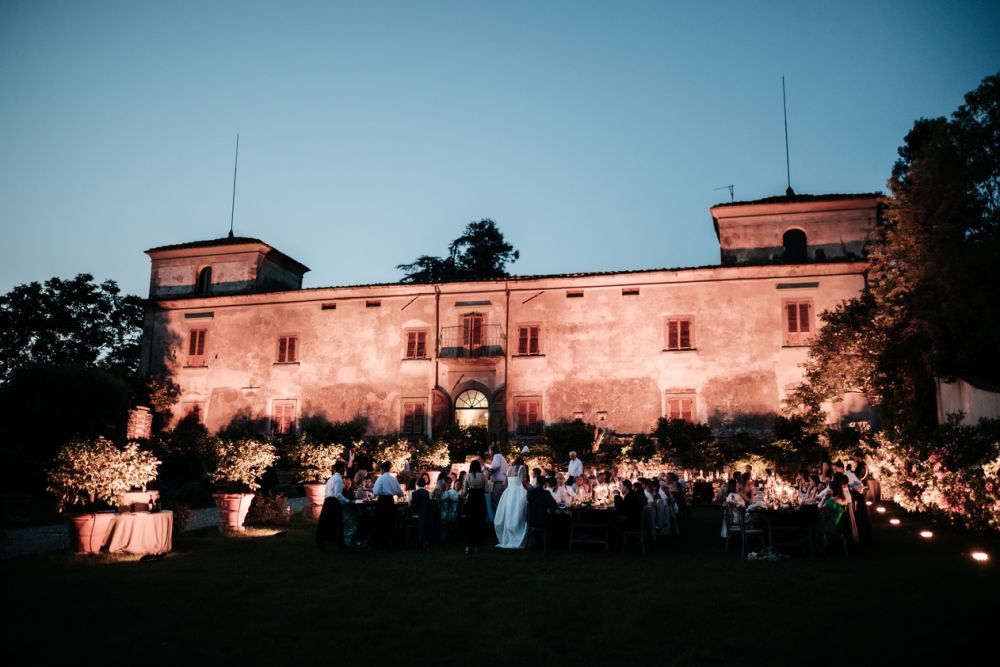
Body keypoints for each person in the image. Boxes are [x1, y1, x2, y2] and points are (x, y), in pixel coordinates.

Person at [494, 457, 528, 549]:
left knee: (509, 514)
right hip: (518, 492)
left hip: (509, 493)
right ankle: (517, 535)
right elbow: (523, 481)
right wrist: (528, 489)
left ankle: (508, 536)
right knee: (518, 514)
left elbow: (505, 483)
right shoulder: (522, 468)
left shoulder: (509, 470)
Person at [316, 461, 350, 551]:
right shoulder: (338, 480)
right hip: (334, 503)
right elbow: (337, 494)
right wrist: (348, 501)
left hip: (327, 502)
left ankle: (322, 543)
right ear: (340, 468)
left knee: (326, 523)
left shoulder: (331, 478)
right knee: (337, 523)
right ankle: (341, 545)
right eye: (344, 468)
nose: (345, 470)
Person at [371, 460, 405, 547]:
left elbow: (375, 492)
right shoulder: (393, 479)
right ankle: (390, 541)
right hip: (390, 501)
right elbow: (400, 492)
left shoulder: (380, 479)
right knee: (390, 521)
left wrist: (373, 494)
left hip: (382, 501)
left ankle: (380, 541)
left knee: (380, 521)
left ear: (382, 469)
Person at [463, 460, 487, 554]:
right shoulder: (483, 476)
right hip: (480, 499)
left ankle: (468, 546)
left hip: (471, 499)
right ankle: (477, 546)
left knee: (470, 523)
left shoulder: (468, 476)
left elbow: (465, 490)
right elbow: (486, 488)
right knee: (479, 523)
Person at [487, 446, 509, 513]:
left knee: (496, 502)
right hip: (504, 482)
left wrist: (489, 472)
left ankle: (497, 520)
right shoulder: (502, 457)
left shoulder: (496, 456)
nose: (489, 453)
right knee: (503, 503)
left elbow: (496, 466)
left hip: (498, 483)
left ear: (492, 451)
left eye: (490, 451)